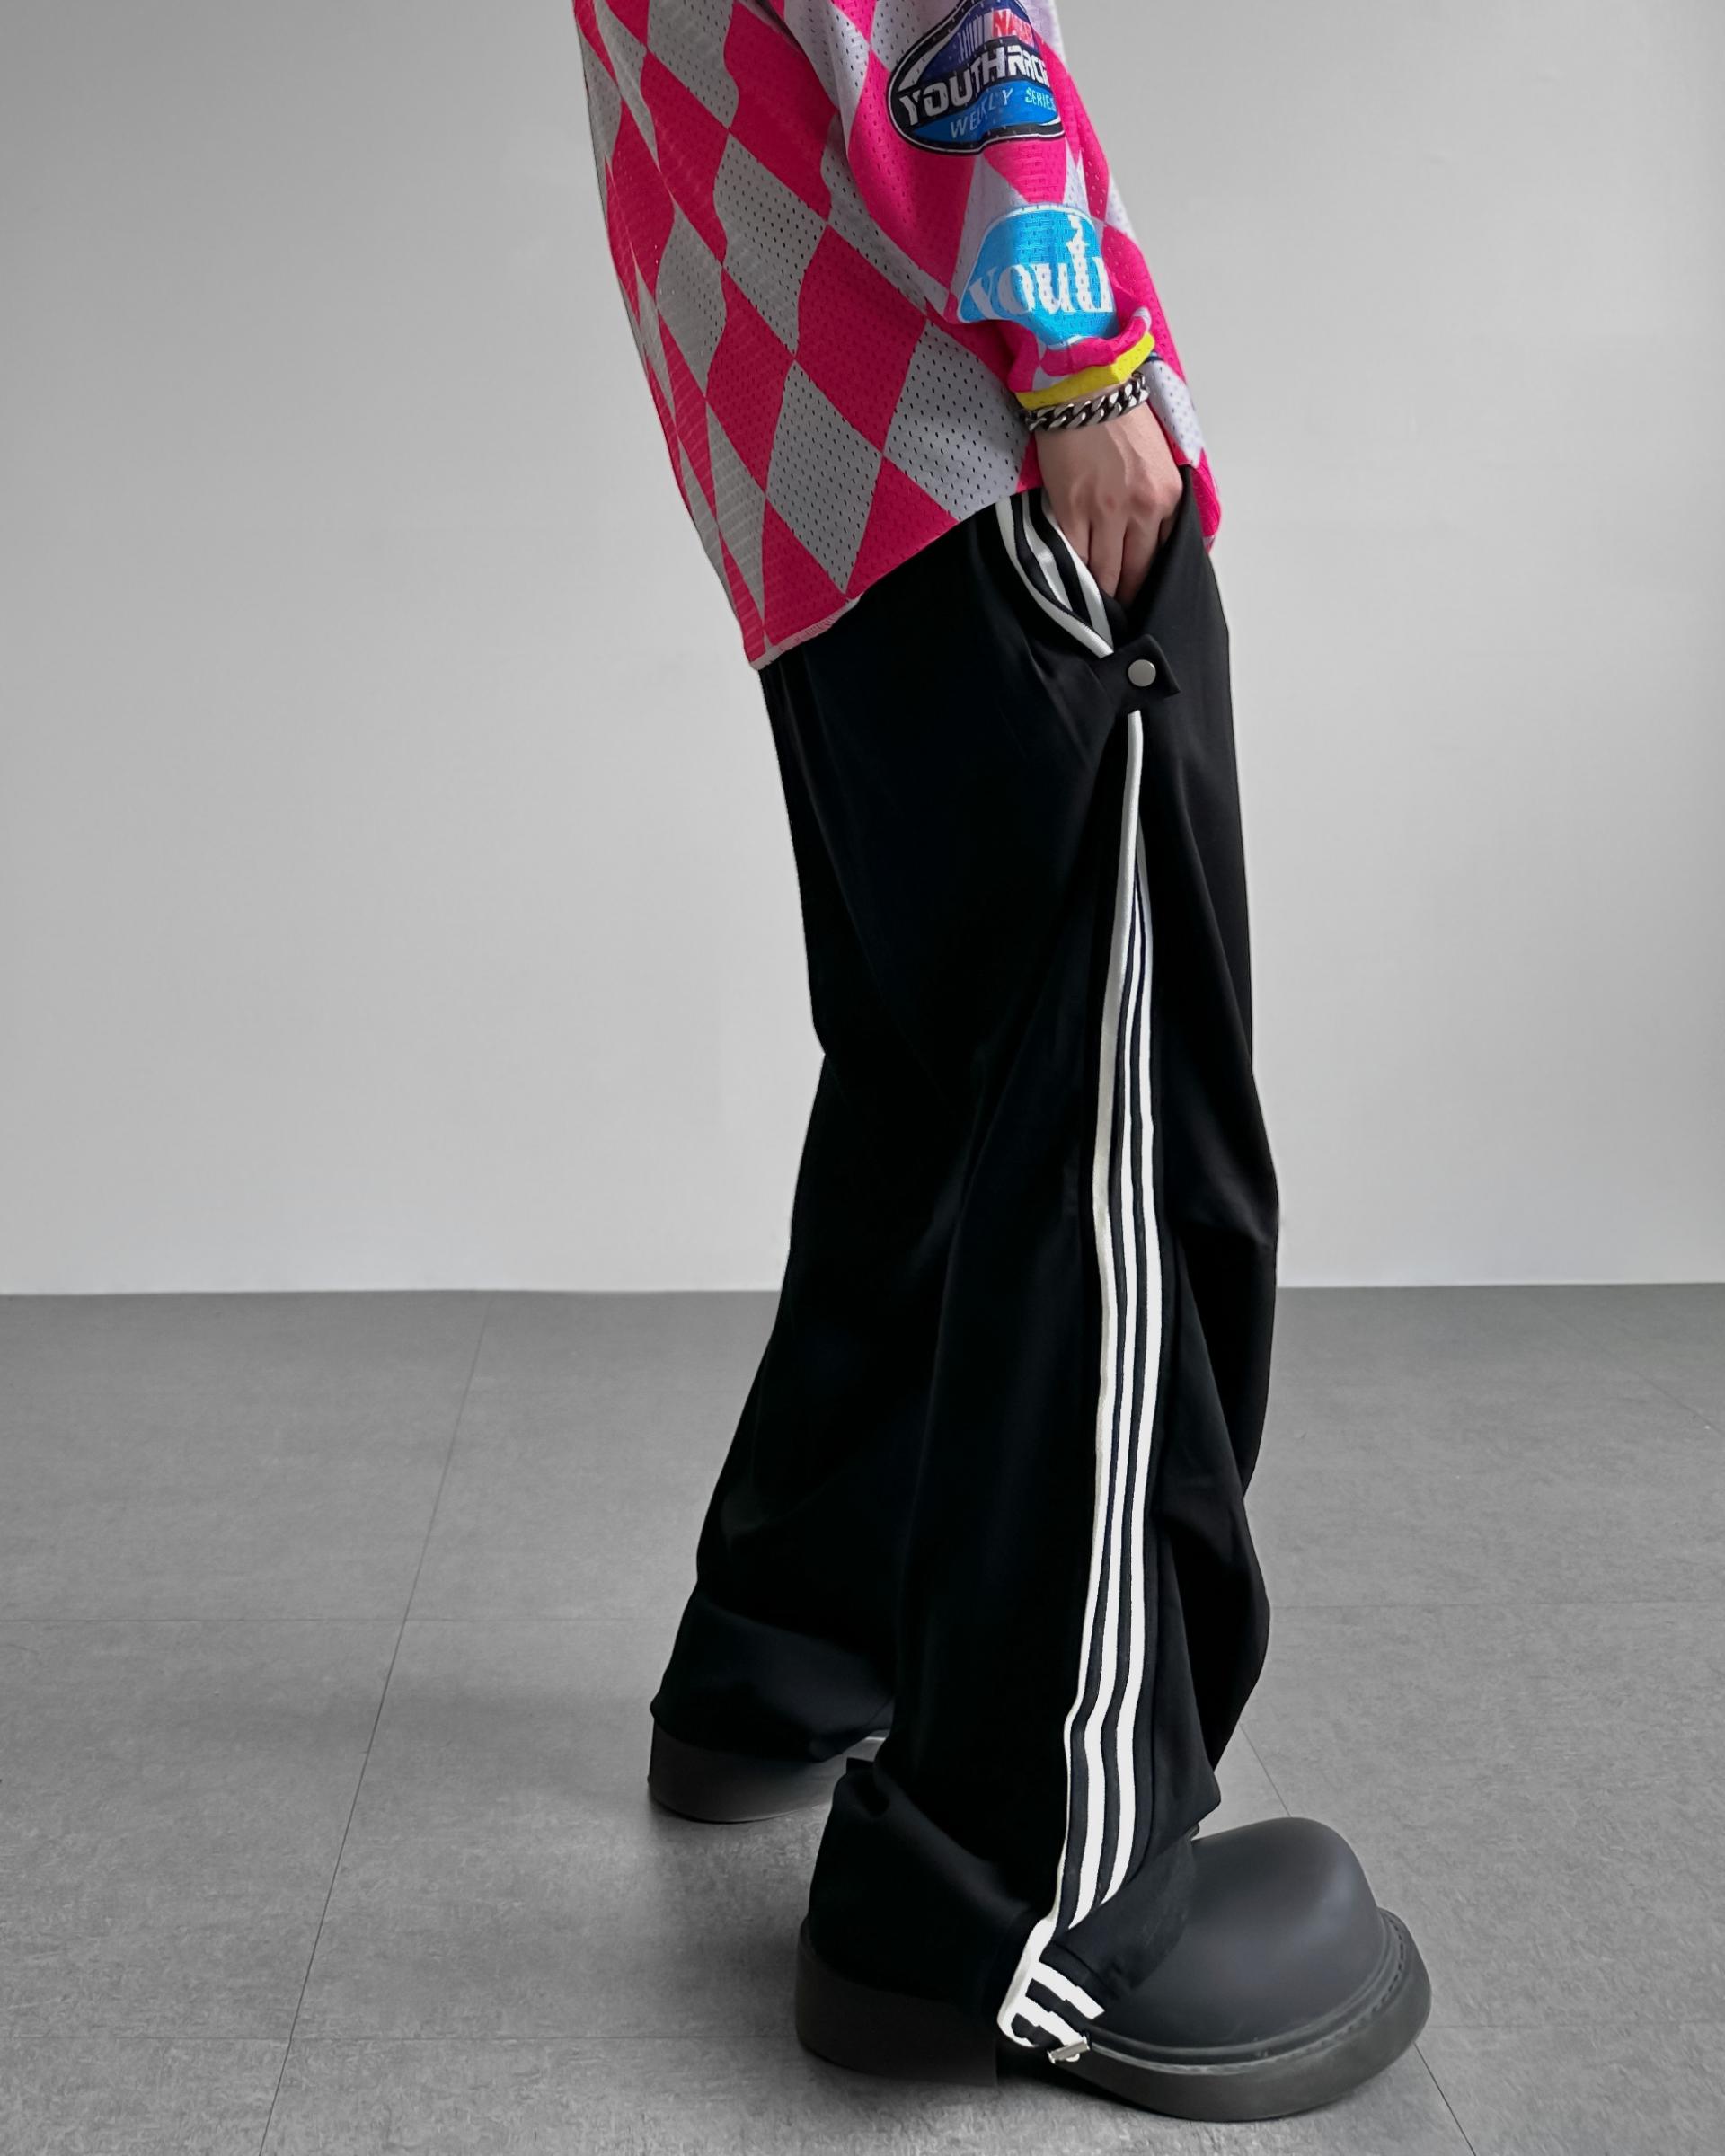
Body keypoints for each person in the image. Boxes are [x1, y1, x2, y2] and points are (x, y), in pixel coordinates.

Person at [570, 0, 1430, 2121]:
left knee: (935, 1101)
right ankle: (1029, 1892)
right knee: (1112, 1146)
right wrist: (1086, 368)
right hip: (973, 440)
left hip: (811, 488)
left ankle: (791, 1656)